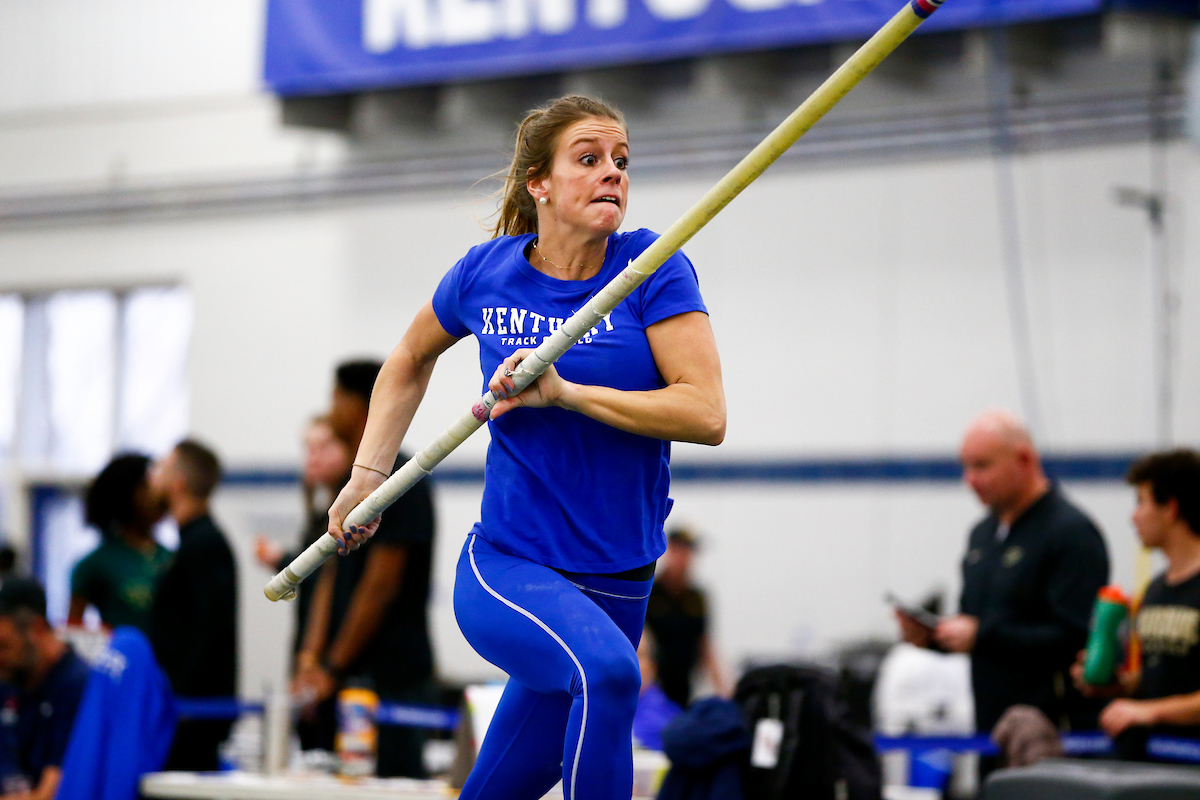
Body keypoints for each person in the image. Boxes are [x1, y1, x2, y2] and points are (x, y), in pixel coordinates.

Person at [328, 94, 724, 800]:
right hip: (511, 567)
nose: (613, 174)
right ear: (539, 183)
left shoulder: (652, 267)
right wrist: (368, 474)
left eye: (622, 162)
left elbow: (705, 412)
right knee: (608, 674)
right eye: (590, 159)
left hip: (620, 581)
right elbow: (409, 360)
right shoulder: (486, 274)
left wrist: (568, 393)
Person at [896, 409, 1109, 733]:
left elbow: (1075, 637)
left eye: (982, 466)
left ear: (1024, 460)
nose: (970, 479)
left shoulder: (1070, 533)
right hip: (992, 728)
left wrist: (981, 636)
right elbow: (978, 624)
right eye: (965, 467)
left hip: (1052, 731)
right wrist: (935, 637)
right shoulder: (982, 535)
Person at [292, 361, 436, 775]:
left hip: (391, 679)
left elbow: (381, 586)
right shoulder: (349, 484)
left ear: (359, 405)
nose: (330, 410)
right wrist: (311, 656)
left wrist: (331, 666)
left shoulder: (402, 479)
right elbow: (329, 574)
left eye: (335, 399)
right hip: (344, 679)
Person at [1071, 449, 1200, 759]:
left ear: (1170, 508)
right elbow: (1163, 675)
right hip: (1155, 762)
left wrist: (1149, 711)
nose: (1133, 516)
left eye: (1141, 502)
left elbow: (1153, 706)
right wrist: (1117, 687)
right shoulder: (1156, 590)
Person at [148, 439, 238, 771]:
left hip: (192, 717)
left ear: (178, 483)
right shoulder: (191, 544)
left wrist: (183, 704)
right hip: (184, 711)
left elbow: (209, 633)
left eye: (160, 468)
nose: (151, 478)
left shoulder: (204, 545)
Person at [0, 578, 90, 799]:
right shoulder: (11, 678)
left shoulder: (77, 685)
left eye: (3, 646)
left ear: (37, 629)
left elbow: (54, 788)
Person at [69, 454, 171, 634]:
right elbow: (73, 632)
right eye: (149, 487)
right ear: (129, 494)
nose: (159, 495)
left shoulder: (171, 557)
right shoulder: (97, 563)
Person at [644, 527, 729, 708]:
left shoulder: (696, 597)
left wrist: (724, 692)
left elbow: (704, 645)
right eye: (680, 551)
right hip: (652, 686)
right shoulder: (650, 592)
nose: (685, 558)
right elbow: (640, 643)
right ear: (669, 551)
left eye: (689, 552)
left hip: (684, 683)